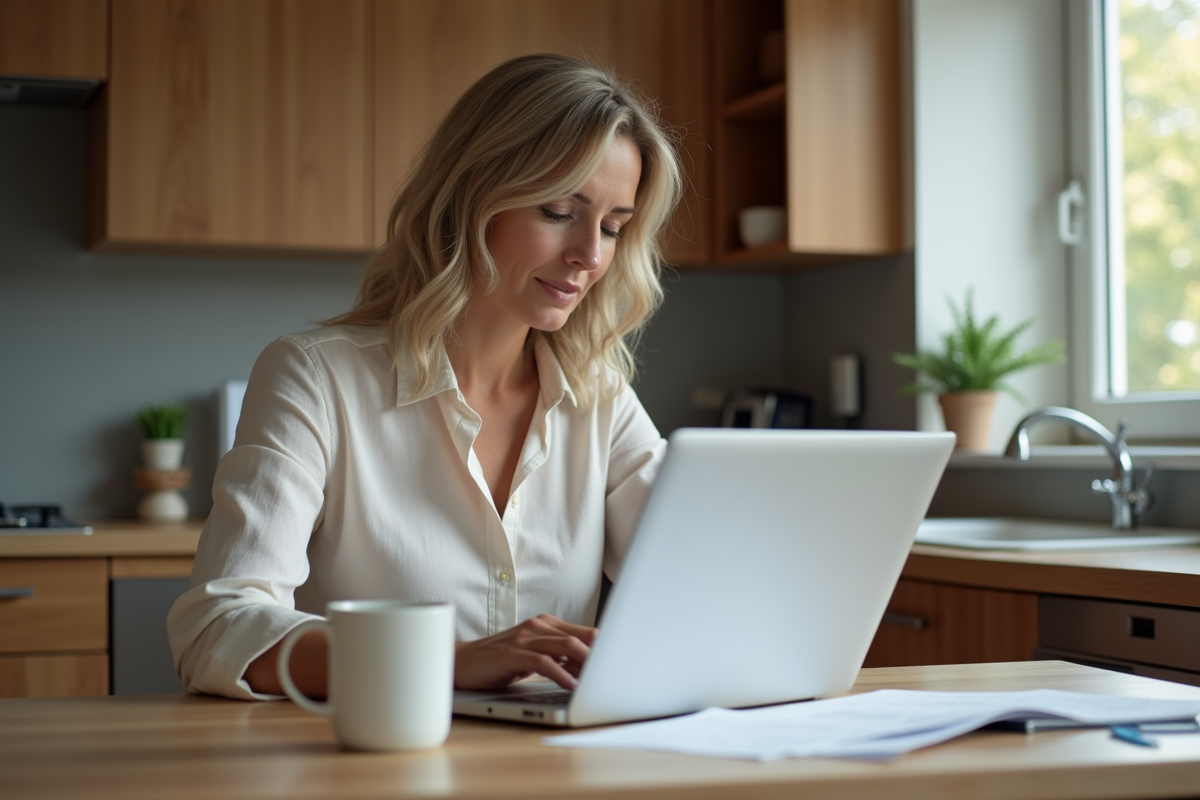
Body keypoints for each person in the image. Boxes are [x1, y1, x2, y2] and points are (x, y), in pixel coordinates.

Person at [167, 53, 683, 700]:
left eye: (613, 228)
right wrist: (446, 660)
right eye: (557, 211)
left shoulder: (599, 397)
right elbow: (218, 628)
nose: (590, 255)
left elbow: (697, 584)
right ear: (469, 198)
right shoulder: (317, 376)